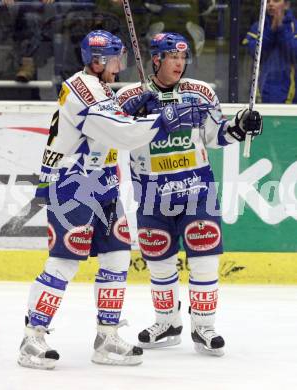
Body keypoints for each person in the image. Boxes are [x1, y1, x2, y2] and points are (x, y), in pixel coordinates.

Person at [17, 29, 204, 370]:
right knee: (63, 263)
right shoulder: (82, 87)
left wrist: (143, 102)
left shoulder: (98, 87)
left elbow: (118, 117)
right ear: (98, 60)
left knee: (117, 257)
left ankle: (107, 337)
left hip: (102, 183)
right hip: (73, 184)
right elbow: (120, 131)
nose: (121, 66)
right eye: (116, 58)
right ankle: (33, 337)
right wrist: (164, 118)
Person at [117, 32, 263, 356]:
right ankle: (167, 323)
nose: (179, 63)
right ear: (156, 60)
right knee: (159, 262)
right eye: (172, 57)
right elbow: (111, 137)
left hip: (197, 189)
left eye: (183, 58)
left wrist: (241, 125)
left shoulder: (200, 93)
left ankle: (204, 327)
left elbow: (217, 135)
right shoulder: (129, 97)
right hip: (152, 193)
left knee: (205, 259)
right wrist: (132, 121)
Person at [243, 0, 297, 103]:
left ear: (286, 5)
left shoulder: (295, 27)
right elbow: (254, 52)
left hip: (291, 97)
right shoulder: (257, 27)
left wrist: (281, 28)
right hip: (260, 93)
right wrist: (271, 30)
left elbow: (294, 53)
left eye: (276, 1)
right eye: (267, 1)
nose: (270, 4)